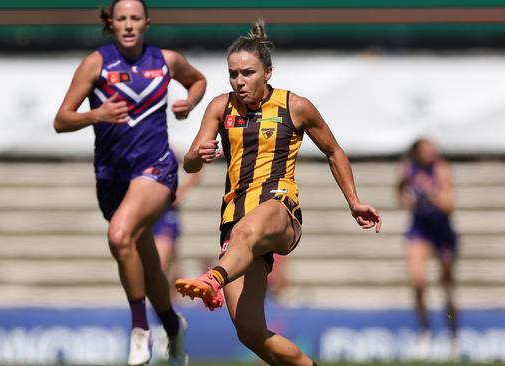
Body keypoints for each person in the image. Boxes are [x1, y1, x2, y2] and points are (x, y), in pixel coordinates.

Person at [174, 20, 382, 366]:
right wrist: (198, 154)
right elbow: (190, 164)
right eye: (233, 74)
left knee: (246, 231)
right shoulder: (220, 107)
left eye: (248, 73)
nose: (239, 82)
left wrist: (354, 201)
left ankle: (213, 277)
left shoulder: (295, 106)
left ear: (268, 73)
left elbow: (334, 151)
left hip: (279, 210)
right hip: (235, 221)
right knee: (250, 333)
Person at [53, 1, 206, 365]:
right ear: (111, 23)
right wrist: (96, 114)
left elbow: (197, 80)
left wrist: (189, 102)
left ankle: (140, 330)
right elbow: (61, 120)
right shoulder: (96, 63)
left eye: (135, 18)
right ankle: (172, 325)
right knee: (149, 265)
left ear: (146, 23)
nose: (128, 25)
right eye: (121, 18)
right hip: (111, 177)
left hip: (155, 169)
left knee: (119, 235)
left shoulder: (166, 61)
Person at [396, 138, 458, 355]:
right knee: (417, 279)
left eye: (433, 148)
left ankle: (452, 335)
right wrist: (407, 199)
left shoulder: (441, 169)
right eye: (426, 149)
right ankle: (425, 331)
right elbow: (400, 193)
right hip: (420, 229)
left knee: (447, 286)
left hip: (442, 232)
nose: (431, 152)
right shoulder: (408, 168)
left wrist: (429, 190)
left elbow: (449, 206)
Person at [153, 172, 201, 299]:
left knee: (162, 266)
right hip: (150, 210)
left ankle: (166, 306)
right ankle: (166, 305)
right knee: (167, 266)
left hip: (165, 214)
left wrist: (176, 194)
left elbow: (195, 173)